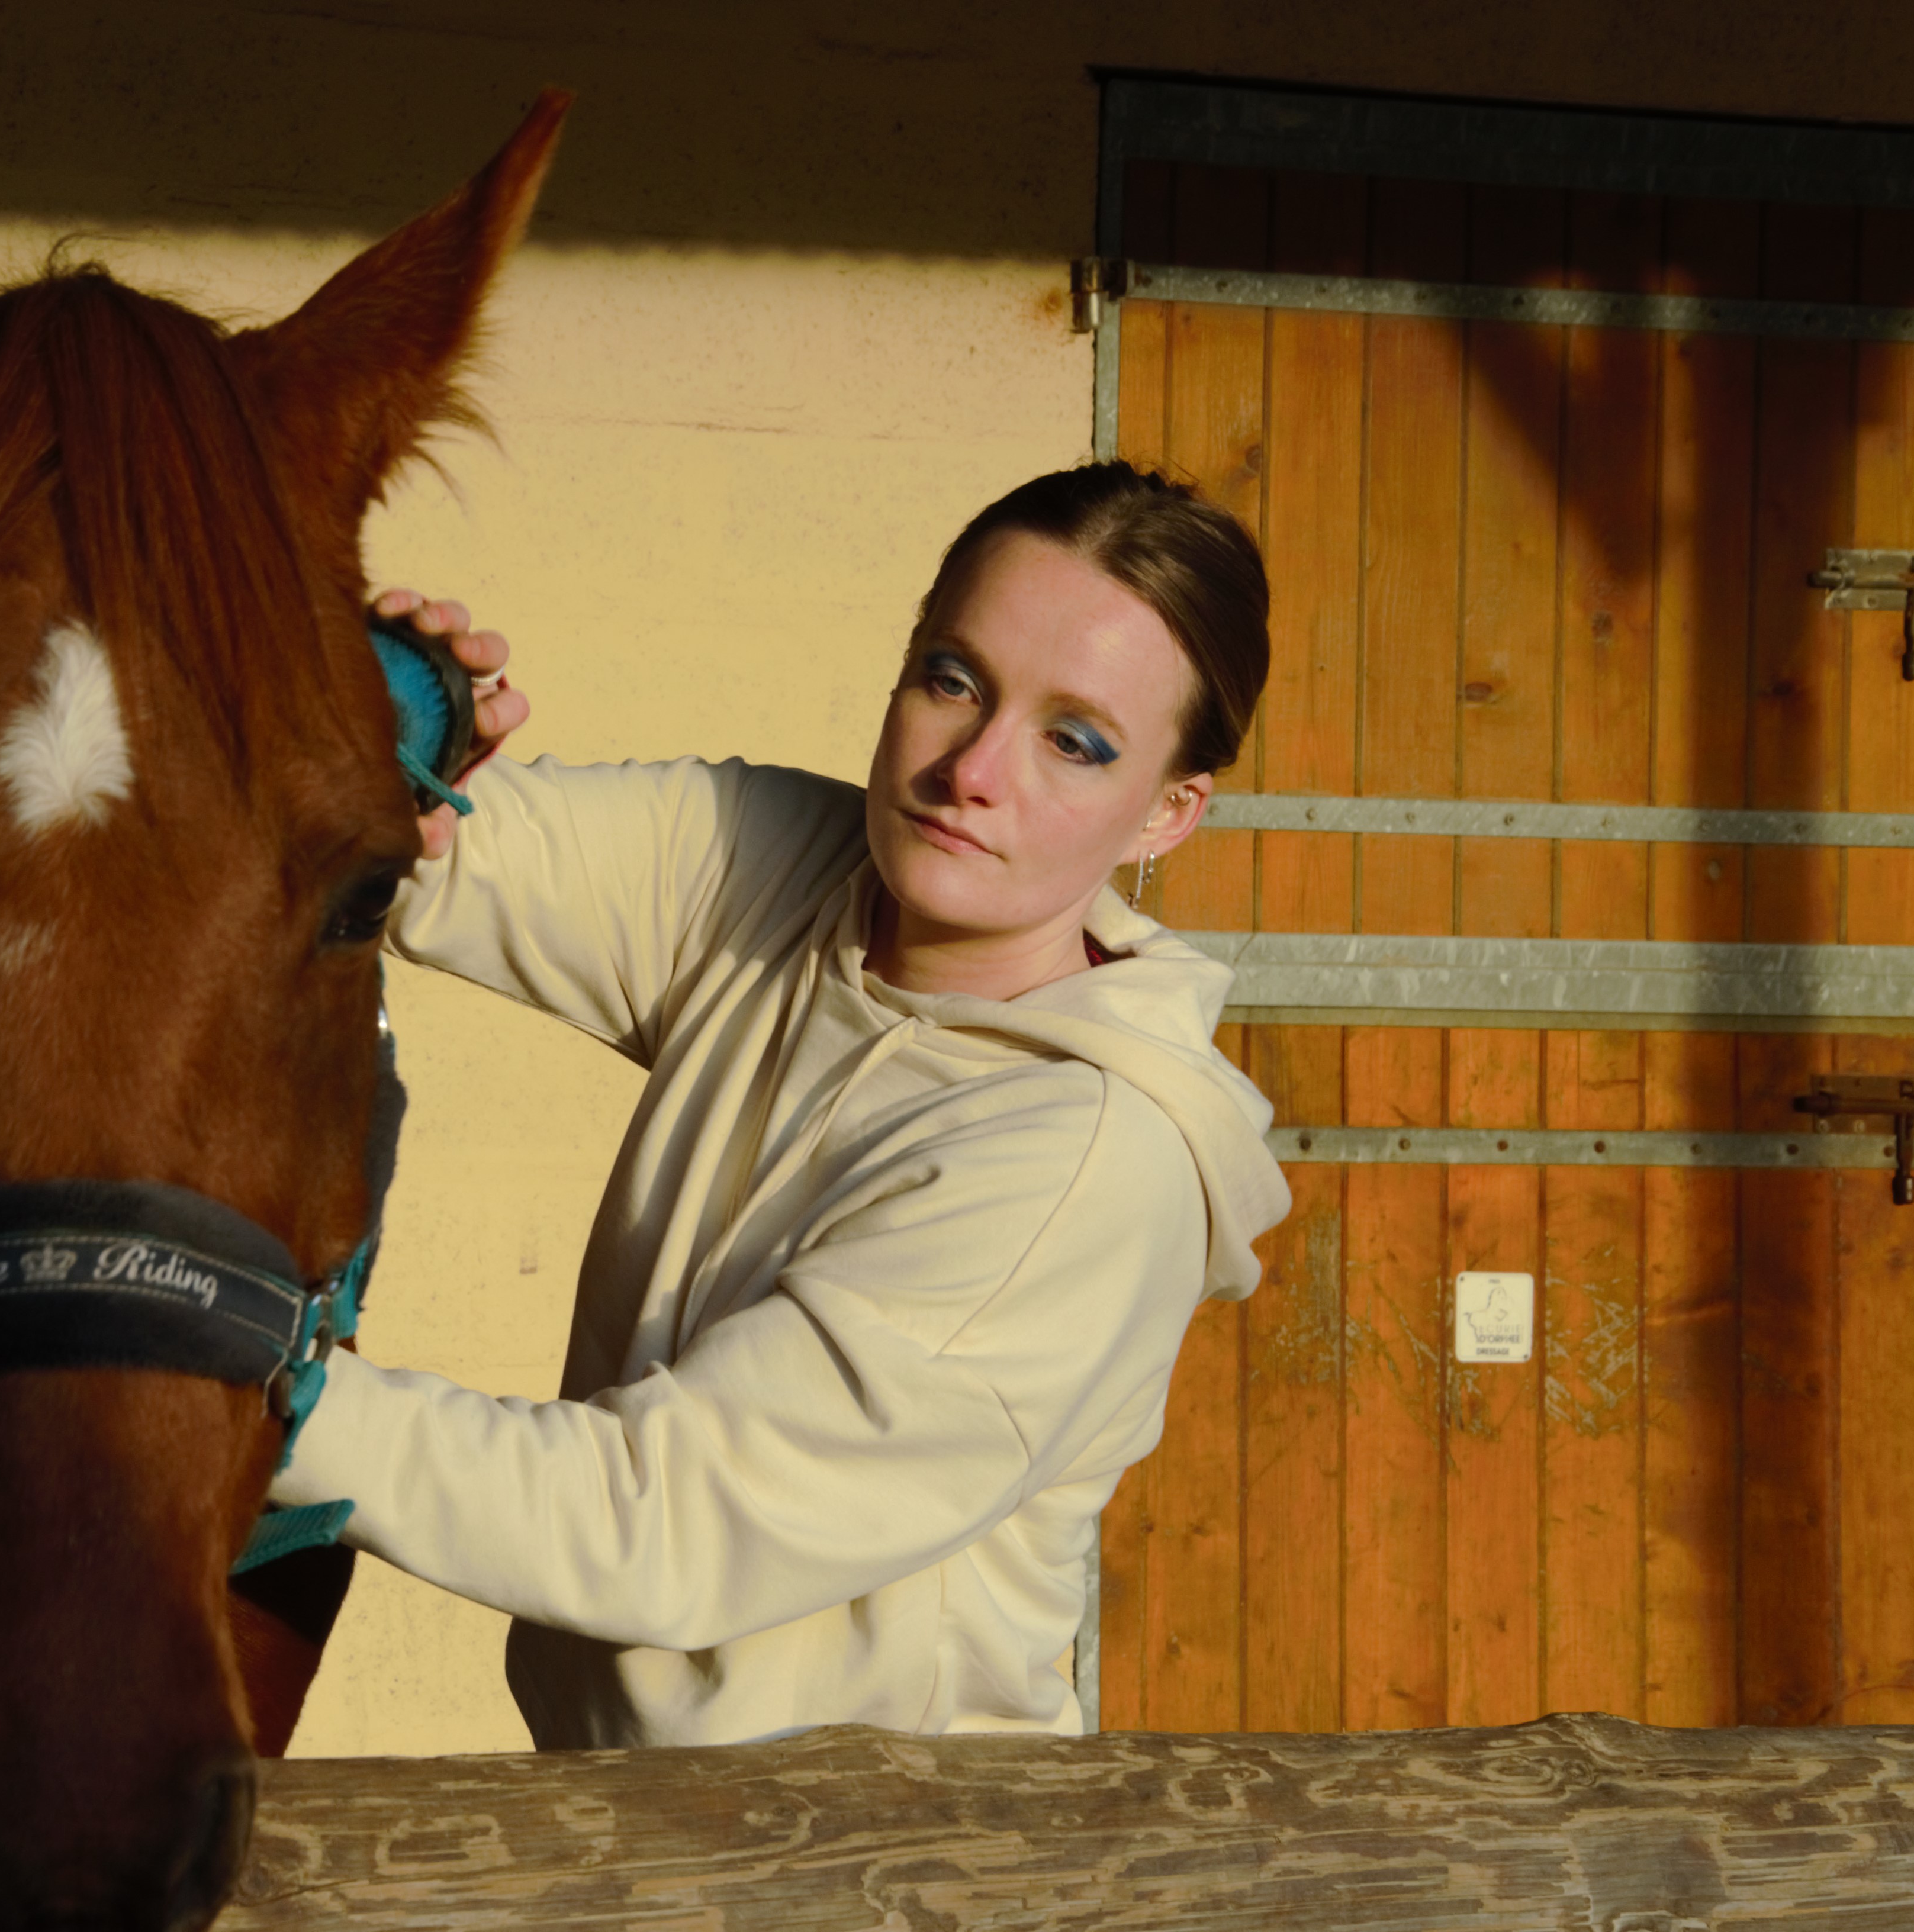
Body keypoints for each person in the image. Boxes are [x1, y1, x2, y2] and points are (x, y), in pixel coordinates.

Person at [277, 461, 1294, 1746]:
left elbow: (655, 1525)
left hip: (864, 1872)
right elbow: (406, 863)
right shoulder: (787, 871)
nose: (973, 770)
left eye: (1073, 742)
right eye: (953, 680)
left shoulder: (1083, 1163)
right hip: (619, 1830)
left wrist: (229, 1367)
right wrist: (352, 725)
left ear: (1166, 812)